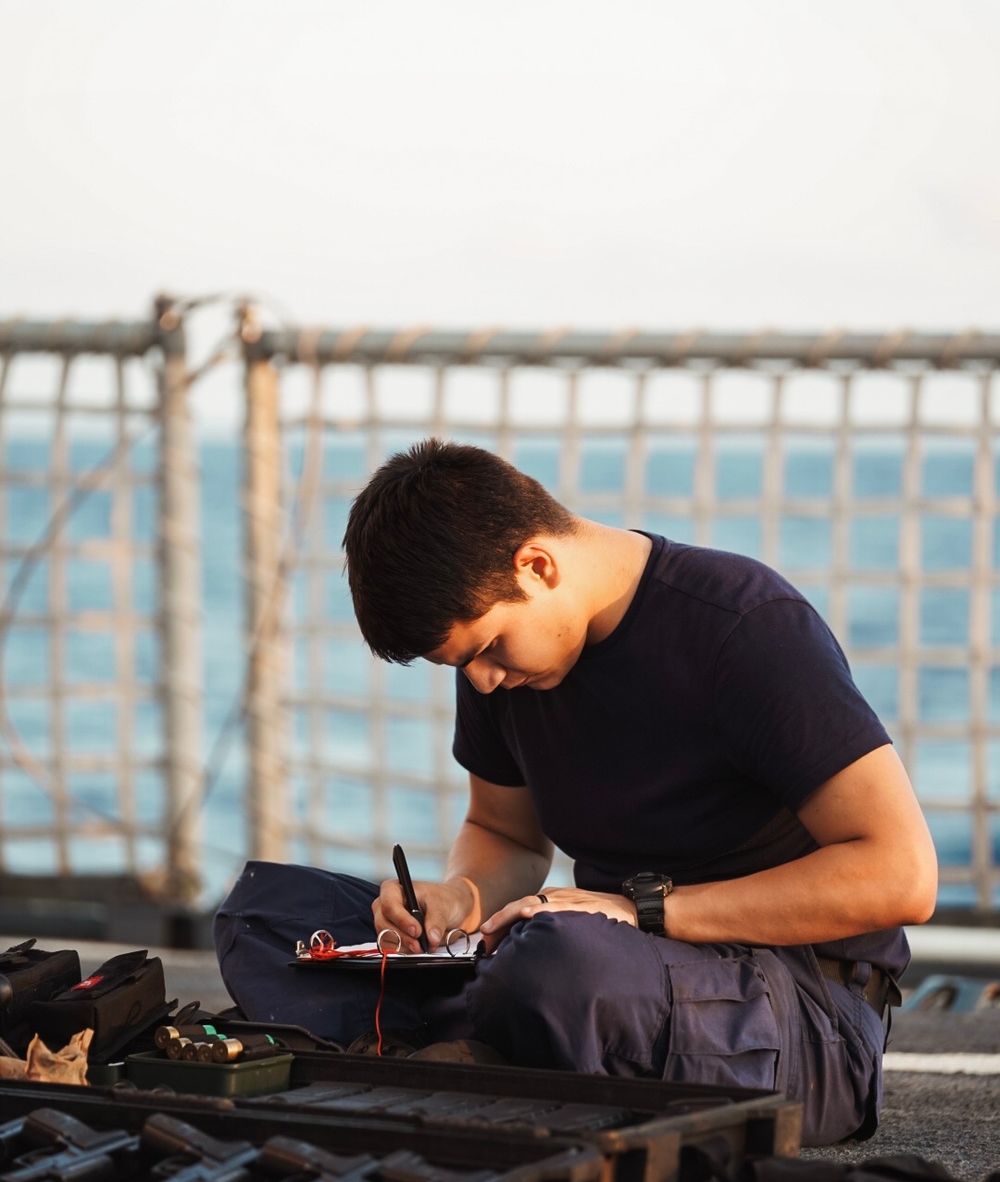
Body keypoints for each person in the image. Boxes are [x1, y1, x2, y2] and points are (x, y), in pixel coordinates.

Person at [214, 439, 937, 1145]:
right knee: (267, 915)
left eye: (489, 649)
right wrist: (459, 900)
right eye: (463, 665)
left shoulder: (744, 627)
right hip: (602, 973)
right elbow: (507, 836)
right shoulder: (501, 665)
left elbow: (900, 877)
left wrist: (643, 912)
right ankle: (480, 1054)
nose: (483, 680)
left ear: (536, 565)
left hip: (798, 1010)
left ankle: (443, 1053)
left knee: (561, 966)